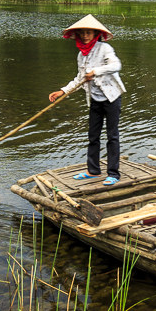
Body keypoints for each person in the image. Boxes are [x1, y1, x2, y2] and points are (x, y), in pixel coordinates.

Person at [48, 14, 126, 185]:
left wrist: (96, 71)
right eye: (82, 33)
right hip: (95, 100)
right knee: (93, 136)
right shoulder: (81, 55)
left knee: (112, 136)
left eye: (89, 33)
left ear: (96, 34)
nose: (85, 36)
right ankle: (93, 171)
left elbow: (116, 65)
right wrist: (62, 91)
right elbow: (79, 78)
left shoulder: (105, 49)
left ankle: (113, 173)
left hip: (111, 98)